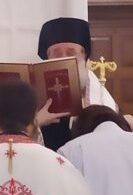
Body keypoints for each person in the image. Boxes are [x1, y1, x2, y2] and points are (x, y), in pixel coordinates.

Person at [37, 17, 117, 151]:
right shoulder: (34, 100)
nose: (64, 59)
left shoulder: (101, 99)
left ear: (85, 58)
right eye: (57, 54)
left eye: (71, 53)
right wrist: (35, 123)